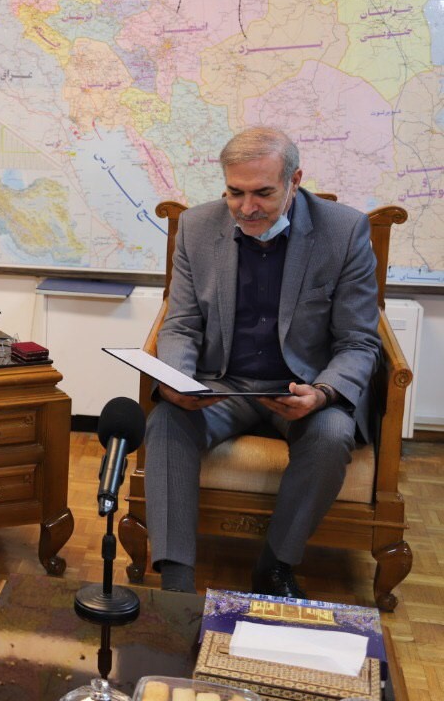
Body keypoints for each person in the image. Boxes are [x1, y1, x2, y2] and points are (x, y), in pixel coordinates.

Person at [144, 126, 381, 599]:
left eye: (263, 193)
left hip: (302, 389)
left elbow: (358, 340)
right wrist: (178, 379)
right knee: (166, 421)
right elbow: (182, 323)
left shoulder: (343, 231)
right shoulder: (197, 226)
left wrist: (323, 393)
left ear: (295, 180)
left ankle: (275, 566)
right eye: (235, 192)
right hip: (223, 386)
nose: (247, 207)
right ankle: (175, 585)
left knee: (332, 435)